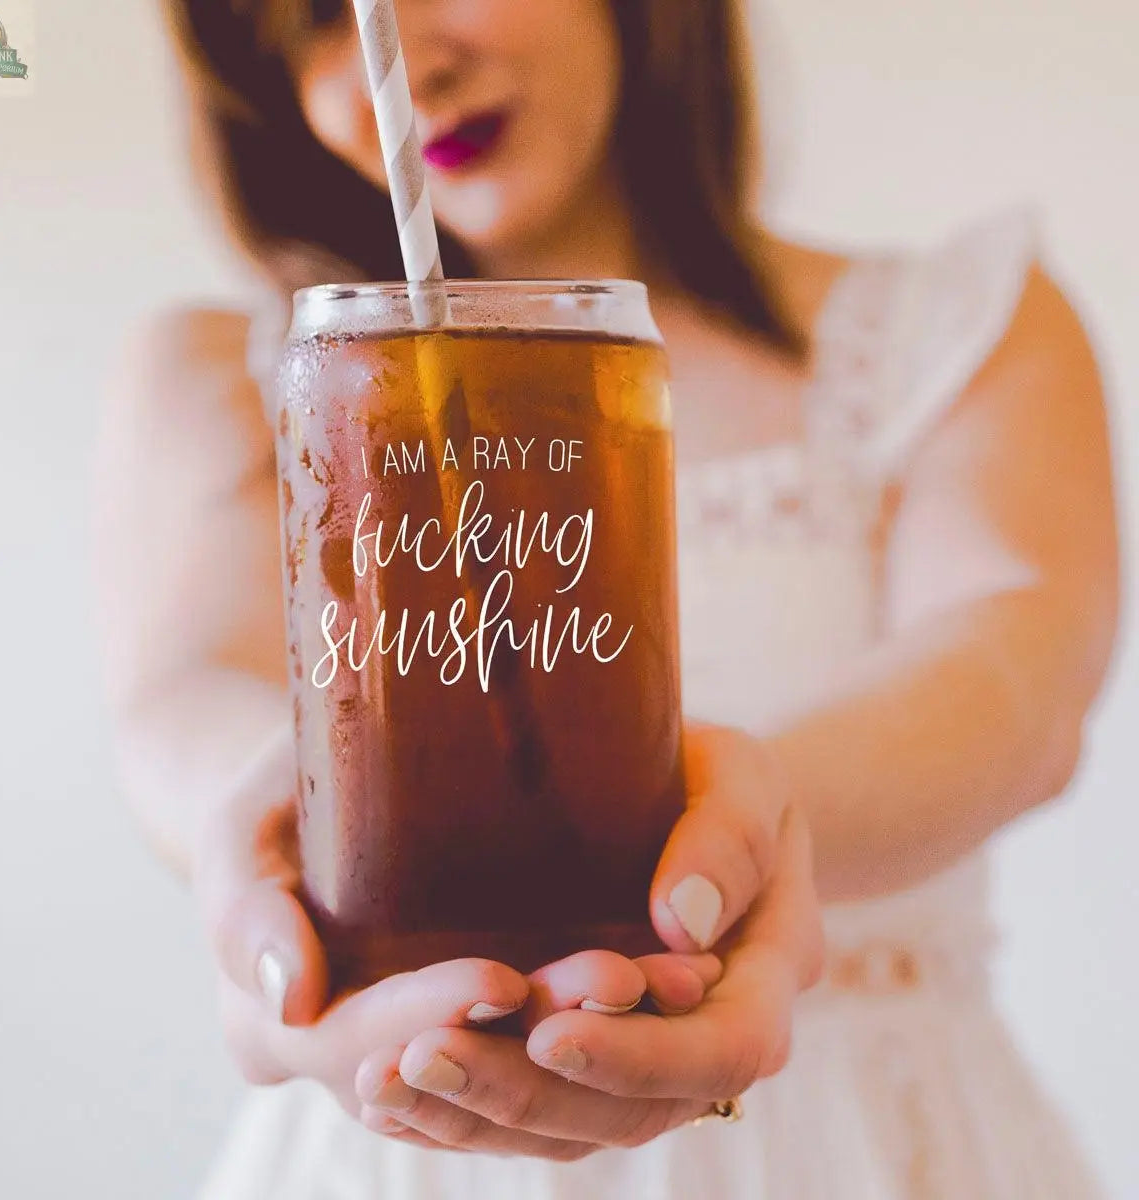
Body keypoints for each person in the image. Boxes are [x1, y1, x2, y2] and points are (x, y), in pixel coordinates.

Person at [93, 0, 1120, 1196]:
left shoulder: (959, 330)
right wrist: (278, 821)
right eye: (316, 21)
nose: (411, 58)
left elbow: (1013, 671)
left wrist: (745, 825)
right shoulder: (248, 375)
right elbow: (183, 693)